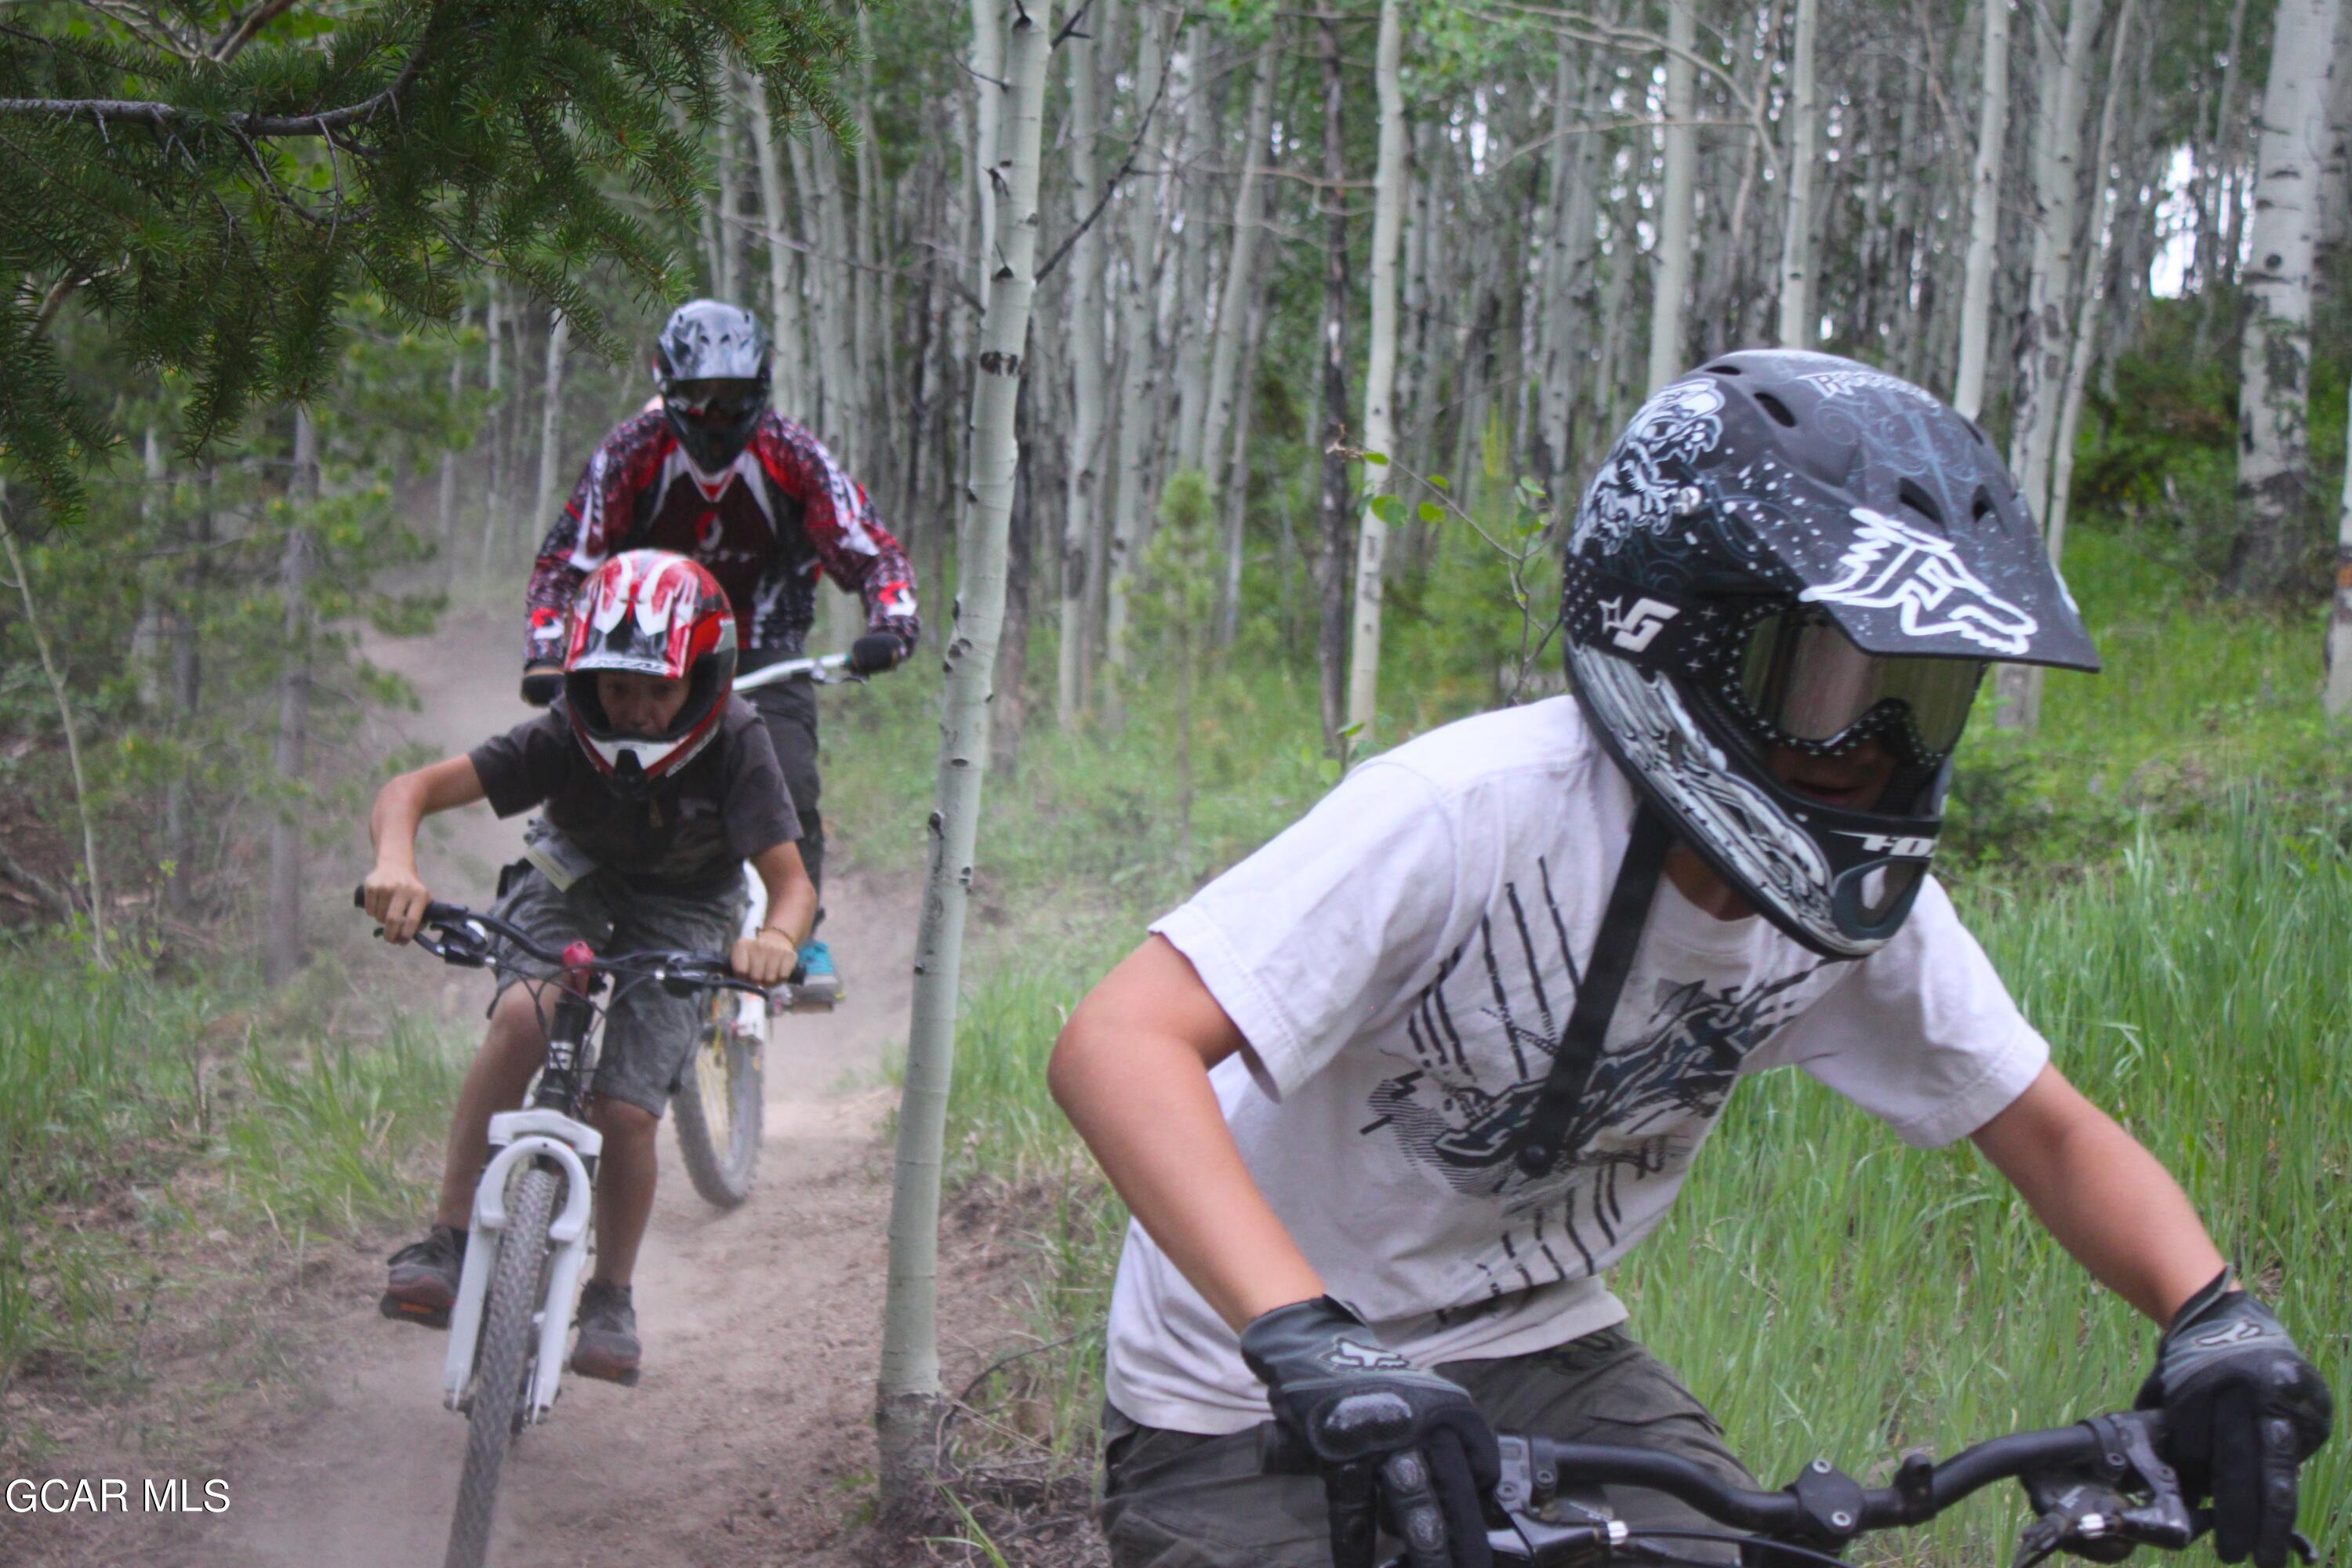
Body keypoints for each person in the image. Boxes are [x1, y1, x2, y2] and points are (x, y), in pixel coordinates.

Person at [1047, 351, 2332, 1568]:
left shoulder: (1842, 902)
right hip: (1239, 1376)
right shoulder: (1472, 812)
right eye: (1837, 687)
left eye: (1924, 699)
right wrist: (1307, 1337)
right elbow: (1121, 1042)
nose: (1880, 743)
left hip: (1542, 1341)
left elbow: (2041, 1126)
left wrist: (2211, 1313)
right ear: (1679, 635)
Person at [365, 550, 815, 1383]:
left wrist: (779, 941)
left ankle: (611, 1292)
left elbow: (790, 883)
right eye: (616, 687)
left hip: (688, 901)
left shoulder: (736, 739)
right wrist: (397, 862)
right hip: (572, 870)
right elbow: (412, 789)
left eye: (658, 689)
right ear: (583, 678)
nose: (637, 711)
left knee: (627, 1109)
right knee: (521, 1014)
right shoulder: (563, 733)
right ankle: (451, 1235)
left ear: (702, 679)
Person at [519, 298, 918, 1004]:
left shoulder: (790, 454)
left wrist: (890, 621)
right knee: (603, 765)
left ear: (761, 388)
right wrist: (547, 652)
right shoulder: (633, 452)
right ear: (667, 387)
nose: (716, 415)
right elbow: (566, 563)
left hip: (764, 646)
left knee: (788, 780)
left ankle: (801, 929)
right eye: (699, 398)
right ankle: (578, 894)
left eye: (734, 398)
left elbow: (869, 546)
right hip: (643, 649)